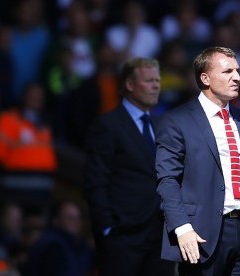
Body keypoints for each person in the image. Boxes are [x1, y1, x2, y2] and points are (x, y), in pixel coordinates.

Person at [156, 46, 240, 275]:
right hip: (200, 234)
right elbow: (167, 180)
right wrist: (182, 228)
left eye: (238, 70)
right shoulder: (176, 121)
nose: (237, 77)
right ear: (205, 78)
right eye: (227, 71)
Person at [83, 57, 174, 276]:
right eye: (149, 80)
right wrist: (106, 227)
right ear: (130, 85)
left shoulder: (159, 125)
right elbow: (95, 180)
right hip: (123, 235)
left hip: (160, 235)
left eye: (157, 80)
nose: (156, 86)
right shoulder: (108, 125)